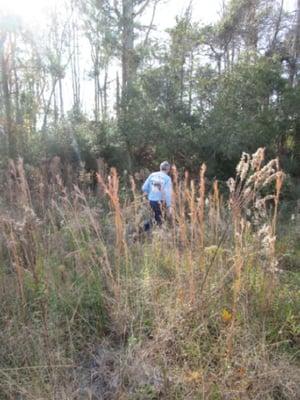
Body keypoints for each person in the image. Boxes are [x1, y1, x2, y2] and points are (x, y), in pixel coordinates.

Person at [142, 161, 173, 230]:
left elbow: (144, 188)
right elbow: (168, 193)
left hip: (151, 200)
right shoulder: (167, 178)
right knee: (159, 219)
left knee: (155, 217)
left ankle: (145, 231)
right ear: (168, 169)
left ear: (160, 168)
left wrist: (149, 193)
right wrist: (169, 205)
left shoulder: (152, 175)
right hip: (161, 202)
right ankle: (145, 229)